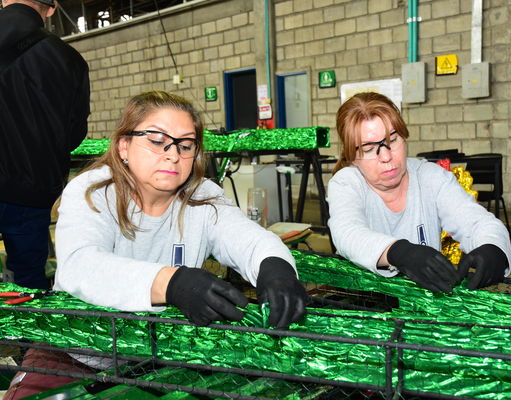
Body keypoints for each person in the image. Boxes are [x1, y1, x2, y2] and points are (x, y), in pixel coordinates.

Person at [4, 91, 307, 399]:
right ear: (124, 146)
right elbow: (80, 266)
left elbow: (248, 239)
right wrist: (170, 282)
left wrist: (276, 268)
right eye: (156, 139)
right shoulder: (92, 191)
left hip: (156, 357)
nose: (172, 154)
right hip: (74, 353)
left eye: (185, 144)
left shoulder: (203, 196)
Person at [327, 92, 511, 293]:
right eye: (369, 149)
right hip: (366, 304)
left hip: (424, 307)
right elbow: (347, 233)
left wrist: (493, 248)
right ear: (352, 157)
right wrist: (399, 252)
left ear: (405, 137)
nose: (386, 156)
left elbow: (477, 222)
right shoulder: (346, 183)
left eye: (393, 139)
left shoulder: (431, 177)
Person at [0, 0, 90, 289]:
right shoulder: (71, 60)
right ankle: (22, 334)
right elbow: (75, 134)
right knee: (26, 280)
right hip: (31, 192)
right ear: (51, 8)